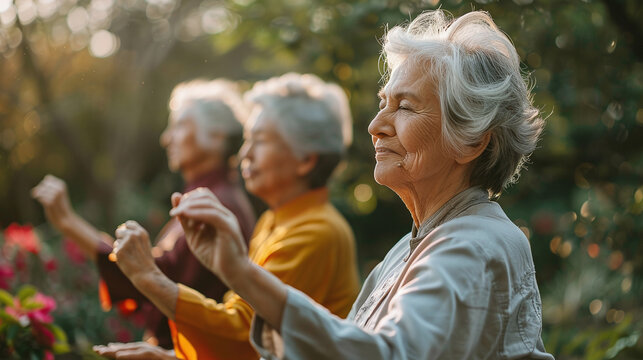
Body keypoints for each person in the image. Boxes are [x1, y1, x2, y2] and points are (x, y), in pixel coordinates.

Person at [162, 10, 555, 359]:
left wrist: (239, 273)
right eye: (383, 103)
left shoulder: (474, 245)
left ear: (471, 141)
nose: (375, 127)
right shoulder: (412, 245)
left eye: (404, 107)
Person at [95, 73, 360, 360]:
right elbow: (244, 320)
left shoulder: (317, 232)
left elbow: (247, 336)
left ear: (306, 160)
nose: (244, 153)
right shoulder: (275, 222)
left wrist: (149, 277)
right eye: (247, 140)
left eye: (259, 141)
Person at [31, 79, 256, 349]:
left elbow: (154, 278)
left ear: (218, 135)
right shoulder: (212, 196)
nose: (166, 138)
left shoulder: (214, 203)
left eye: (179, 126)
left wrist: (69, 223)